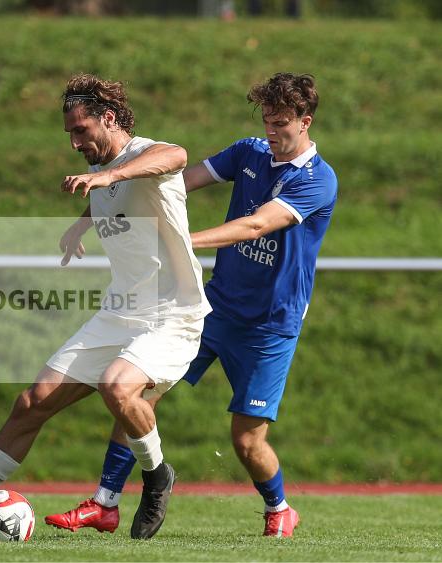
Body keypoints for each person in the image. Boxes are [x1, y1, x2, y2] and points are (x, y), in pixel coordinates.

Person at [0, 73, 211, 539]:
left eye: (81, 131)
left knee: (117, 387)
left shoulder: (146, 155)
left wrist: (107, 176)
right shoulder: (106, 172)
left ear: (108, 119)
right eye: (69, 134)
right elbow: (114, 195)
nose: (74, 143)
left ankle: (157, 474)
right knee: (31, 402)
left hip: (172, 316)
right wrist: (82, 223)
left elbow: (177, 156)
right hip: (119, 313)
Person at [45, 73, 337, 538]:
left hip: (270, 325)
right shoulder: (249, 152)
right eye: (265, 120)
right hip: (212, 306)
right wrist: (90, 213)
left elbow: (255, 226)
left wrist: (180, 244)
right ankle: (105, 502)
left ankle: (279, 506)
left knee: (245, 439)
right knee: (136, 394)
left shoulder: (319, 181)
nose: (270, 131)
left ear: (306, 122)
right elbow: (171, 177)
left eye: (281, 122)